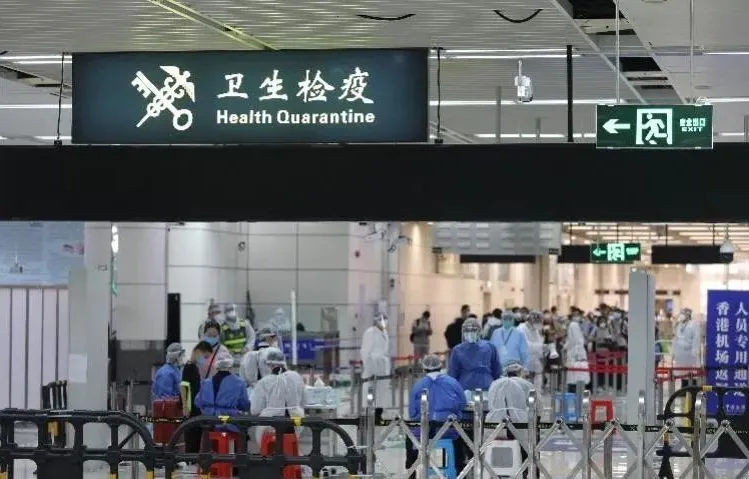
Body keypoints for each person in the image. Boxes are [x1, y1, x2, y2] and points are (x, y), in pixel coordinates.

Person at [405, 354, 466, 478]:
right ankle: (460, 469)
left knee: (410, 436)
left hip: (423, 431)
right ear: (441, 366)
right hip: (449, 429)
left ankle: (411, 470)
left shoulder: (418, 385)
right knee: (460, 439)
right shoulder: (452, 382)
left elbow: (412, 413)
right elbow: (462, 404)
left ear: (424, 368)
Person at [486, 362, 537, 479]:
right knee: (527, 445)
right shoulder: (526, 384)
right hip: (519, 424)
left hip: (494, 424)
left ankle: (493, 473)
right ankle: (526, 472)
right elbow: (538, 406)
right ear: (520, 373)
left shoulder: (495, 384)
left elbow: (489, 403)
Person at [250, 348, 305, 442]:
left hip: (270, 424)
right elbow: (304, 401)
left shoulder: (264, 382)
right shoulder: (296, 377)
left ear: (269, 365)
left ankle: (269, 451)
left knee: (265, 440)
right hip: (295, 423)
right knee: (290, 442)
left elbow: (255, 410)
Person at [195, 349, 250, 436]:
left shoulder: (206, 382)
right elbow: (244, 405)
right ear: (230, 365)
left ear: (216, 366)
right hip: (230, 423)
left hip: (209, 422)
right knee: (244, 433)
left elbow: (198, 402)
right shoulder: (239, 382)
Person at [448, 317, 500, 391]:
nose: (470, 333)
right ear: (463, 332)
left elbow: (497, 371)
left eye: (473, 330)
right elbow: (452, 374)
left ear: (479, 331)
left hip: (487, 388)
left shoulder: (490, 347)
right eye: (467, 330)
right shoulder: (457, 350)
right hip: (465, 389)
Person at [180, 341, 214, 455]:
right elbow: (184, 386)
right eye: (205, 357)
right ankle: (190, 460)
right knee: (192, 439)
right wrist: (185, 406)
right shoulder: (189, 367)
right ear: (198, 352)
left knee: (197, 439)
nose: (205, 360)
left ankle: (194, 460)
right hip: (191, 409)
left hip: (196, 408)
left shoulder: (195, 367)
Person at [152, 343, 185, 445]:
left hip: (175, 412)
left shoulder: (175, 370)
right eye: (182, 355)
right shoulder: (166, 373)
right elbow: (165, 400)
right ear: (176, 356)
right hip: (167, 413)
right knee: (168, 440)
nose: (183, 357)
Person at [361, 313, 391, 419]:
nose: (383, 322)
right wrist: (370, 366)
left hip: (382, 367)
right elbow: (365, 352)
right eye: (381, 319)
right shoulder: (370, 332)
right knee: (370, 392)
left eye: (385, 319)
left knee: (381, 393)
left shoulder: (385, 332)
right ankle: (368, 415)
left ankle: (378, 415)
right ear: (376, 321)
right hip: (372, 368)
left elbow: (384, 350)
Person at [673, 308, 701, 388]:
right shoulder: (679, 325)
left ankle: (693, 390)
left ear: (688, 315)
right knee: (683, 373)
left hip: (690, 354)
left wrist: (695, 351)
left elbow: (696, 338)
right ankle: (684, 389)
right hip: (681, 354)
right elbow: (676, 338)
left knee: (692, 374)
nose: (681, 315)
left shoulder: (694, 324)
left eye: (683, 313)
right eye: (681, 313)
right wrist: (674, 351)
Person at [518, 311, 544, 391]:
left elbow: (539, 342)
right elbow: (525, 345)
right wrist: (541, 346)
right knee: (525, 388)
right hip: (524, 362)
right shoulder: (521, 329)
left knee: (537, 388)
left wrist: (543, 350)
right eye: (537, 322)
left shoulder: (535, 329)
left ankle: (537, 397)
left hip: (535, 362)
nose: (539, 324)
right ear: (531, 320)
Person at [565, 314, 591, 393]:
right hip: (576, 365)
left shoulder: (578, 343)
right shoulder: (575, 341)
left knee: (577, 383)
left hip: (577, 365)